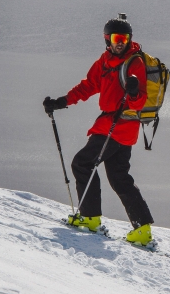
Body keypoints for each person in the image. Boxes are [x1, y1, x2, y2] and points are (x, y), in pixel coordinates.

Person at [43, 13, 155, 245]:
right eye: (116, 38)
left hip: (117, 126)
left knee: (82, 163)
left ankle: (90, 218)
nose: (120, 42)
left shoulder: (135, 62)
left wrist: (134, 91)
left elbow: (139, 102)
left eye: (124, 38)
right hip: (116, 128)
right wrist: (62, 102)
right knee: (119, 177)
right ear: (107, 39)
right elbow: (88, 86)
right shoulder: (104, 62)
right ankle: (142, 230)